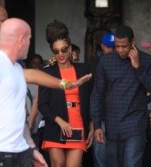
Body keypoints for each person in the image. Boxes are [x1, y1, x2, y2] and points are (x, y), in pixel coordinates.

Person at [0, 18, 92, 167]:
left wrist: (32, 148)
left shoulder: (16, 69)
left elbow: (33, 79)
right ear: (20, 40)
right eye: (28, 38)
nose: (29, 43)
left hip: (18, 150)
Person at [90, 25, 151, 167]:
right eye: (117, 46)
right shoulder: (106, 61)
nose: (120, 50)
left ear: (132, 42)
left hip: (134, 125)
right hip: (111, 126)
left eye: (124, 46)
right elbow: (97, 94)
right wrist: (97, 125)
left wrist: (138, 68)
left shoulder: (148, 61)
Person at [38, 20, 94, 167]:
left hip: (78, 124)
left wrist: (92, 124)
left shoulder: (83, 70)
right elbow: (42, 105)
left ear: (70, 49)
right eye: (56, 51)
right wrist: (59, 120)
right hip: (56, 125)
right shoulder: (47, 72)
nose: (61, 54)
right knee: (58, 164)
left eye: (64, 50)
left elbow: (92, 98)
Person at [92, 32, 115, 167]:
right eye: (108, 47)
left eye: (114, 47)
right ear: (102, 46)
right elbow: (91, 94)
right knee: (101, 159)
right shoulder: (94, 64)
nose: (111, 50)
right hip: (100, 119)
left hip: (119, 119)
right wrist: (93, 122)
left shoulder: (125, 63)